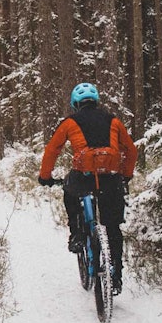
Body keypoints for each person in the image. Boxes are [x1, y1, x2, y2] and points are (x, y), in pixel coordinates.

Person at [38, 83, 137, 295]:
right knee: (112, 228)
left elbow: (52, 149)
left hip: (83, 178)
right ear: (96, 101)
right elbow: (130, 149)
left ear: (75, 103)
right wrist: (126, 175)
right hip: (111, 179)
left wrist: (45, 177)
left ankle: (77, 234)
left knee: (69, 190)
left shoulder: (70, 122)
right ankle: (116, 275)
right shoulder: (113, 120)